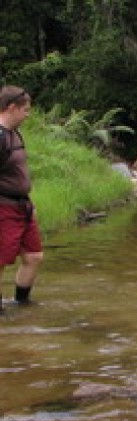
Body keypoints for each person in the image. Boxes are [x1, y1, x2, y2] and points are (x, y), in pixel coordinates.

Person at [0, 85, 43, 314]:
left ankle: (21, 304)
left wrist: (29, 202)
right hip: (4, 207)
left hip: (22, 205)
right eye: (25, 110)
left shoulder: (14, 134)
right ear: (11, 107)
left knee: (34, 256)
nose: (28, 115)